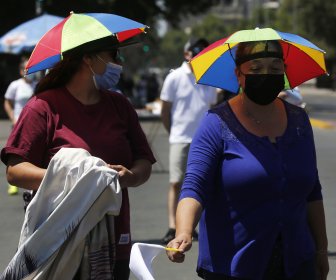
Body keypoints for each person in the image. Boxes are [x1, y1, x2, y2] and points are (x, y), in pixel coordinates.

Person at [166, 40, 329, 280]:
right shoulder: (216, 123)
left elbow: (312, 190)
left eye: (275, 68)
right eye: (256, 69)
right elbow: (195, 186)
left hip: (297, 263)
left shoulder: (299, 121)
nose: (267, 75)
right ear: (238, 74)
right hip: (233, 264)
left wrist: (321, 250)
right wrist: (183, 231)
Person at [0, 39, 156, 279]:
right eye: (113, 54)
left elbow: (144, 161)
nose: (119, 62)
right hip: (59, 242)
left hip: (114, 239)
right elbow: (15, 171)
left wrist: (131, 176)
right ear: (88, 58)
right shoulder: (42, 107)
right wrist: (77, 177)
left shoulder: (120, 106)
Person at [160, 37, 218, 244]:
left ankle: (194, 226)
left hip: (206, 141)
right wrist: (173, 132)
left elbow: (212, 108)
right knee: (176, 182)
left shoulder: (209, 78)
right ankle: (173, 226)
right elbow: (165, 110)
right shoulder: (175, 77)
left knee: (204, 184)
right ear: (187, 54)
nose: (199, 54)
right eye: (196, 51)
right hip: (180, 138)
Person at [3, 58, 39, 195]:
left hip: (33, 125)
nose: (30, 73)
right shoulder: (15, 85)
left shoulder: (38, 84)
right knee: (15, 155)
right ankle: (12, 183)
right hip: (18, 124)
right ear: (21, 71)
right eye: (26, 70)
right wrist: (12, 117)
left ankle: (30, 183)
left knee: (32, 155)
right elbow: (7, 102)